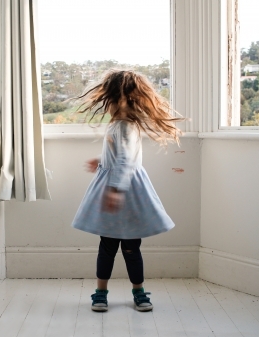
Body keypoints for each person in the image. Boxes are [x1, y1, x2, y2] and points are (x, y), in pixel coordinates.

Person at [70, 69, 184, 312]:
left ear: (118, 100)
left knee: (125, 247)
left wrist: (115, 190)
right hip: (121, 187)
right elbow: (117, 156)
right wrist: (100, 161)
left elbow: (125, 162)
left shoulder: (125, 127)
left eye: (108, 101)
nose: (106, 106)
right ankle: (102, 292)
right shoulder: (120, 126)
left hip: (126, 192)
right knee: (113, 246)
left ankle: (136, 291)